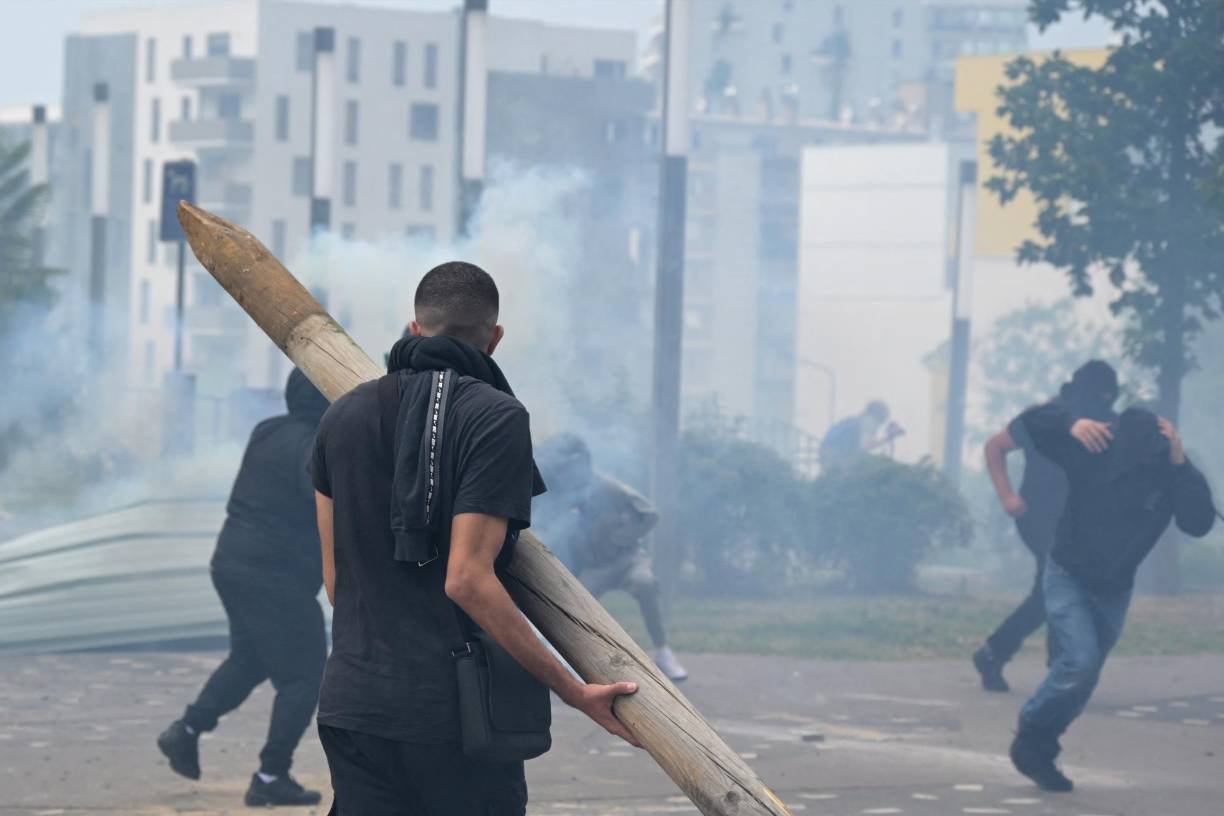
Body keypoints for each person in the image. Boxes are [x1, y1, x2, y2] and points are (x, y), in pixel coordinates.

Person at [310, 262, 640, 815]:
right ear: (495, 338)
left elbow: (336, 583)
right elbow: (467, 579)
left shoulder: (340, 417)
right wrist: (573, 691)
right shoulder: (495, 417)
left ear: (414, 328)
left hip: (355, 709)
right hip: (454, 717)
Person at [1007, 403, 1215, 792]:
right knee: (1079, 661)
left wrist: (1180, 464)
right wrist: (1071, 422)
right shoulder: (1094, 448)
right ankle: (1031, 727)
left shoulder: (1169, 472)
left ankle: (1039, 748)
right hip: (1068, 575)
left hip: (1114, 589)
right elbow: (1028, 424)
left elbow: (1198, 522)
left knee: (1084, 678)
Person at [157, 368, 329, 807]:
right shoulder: (312, 446)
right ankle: (271, 775)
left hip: (231, 564)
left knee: (250, 659)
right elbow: (322, 502)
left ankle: (187, 730)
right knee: (303, 676)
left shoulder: (267, 429)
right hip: (276, 577)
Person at [973, 361, 1120, 692]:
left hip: (1074, 524)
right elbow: (995, 446)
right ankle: (1060, 668)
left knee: (1049, 593)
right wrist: (1007, 496)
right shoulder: (1044, 418)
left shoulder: (1106, 423)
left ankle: (994, 652)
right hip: (1037, 517)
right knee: (1060, 585)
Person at [535, 434, 688, 682]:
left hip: (627, 560)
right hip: (595, 567)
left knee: (645, 583)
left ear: (585, 463)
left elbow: (650, 514)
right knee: (571, 605)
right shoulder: (565, 496)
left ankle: (662, 651)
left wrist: (623, 536)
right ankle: (561, 657)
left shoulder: (609, 486)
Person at [819, 400, 903, 466]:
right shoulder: (868, 422)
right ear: (878, 416)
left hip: (829, 458)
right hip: (839, 459)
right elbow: (864, 446)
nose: (879, 426)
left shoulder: (854, 421)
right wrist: (888, 437)